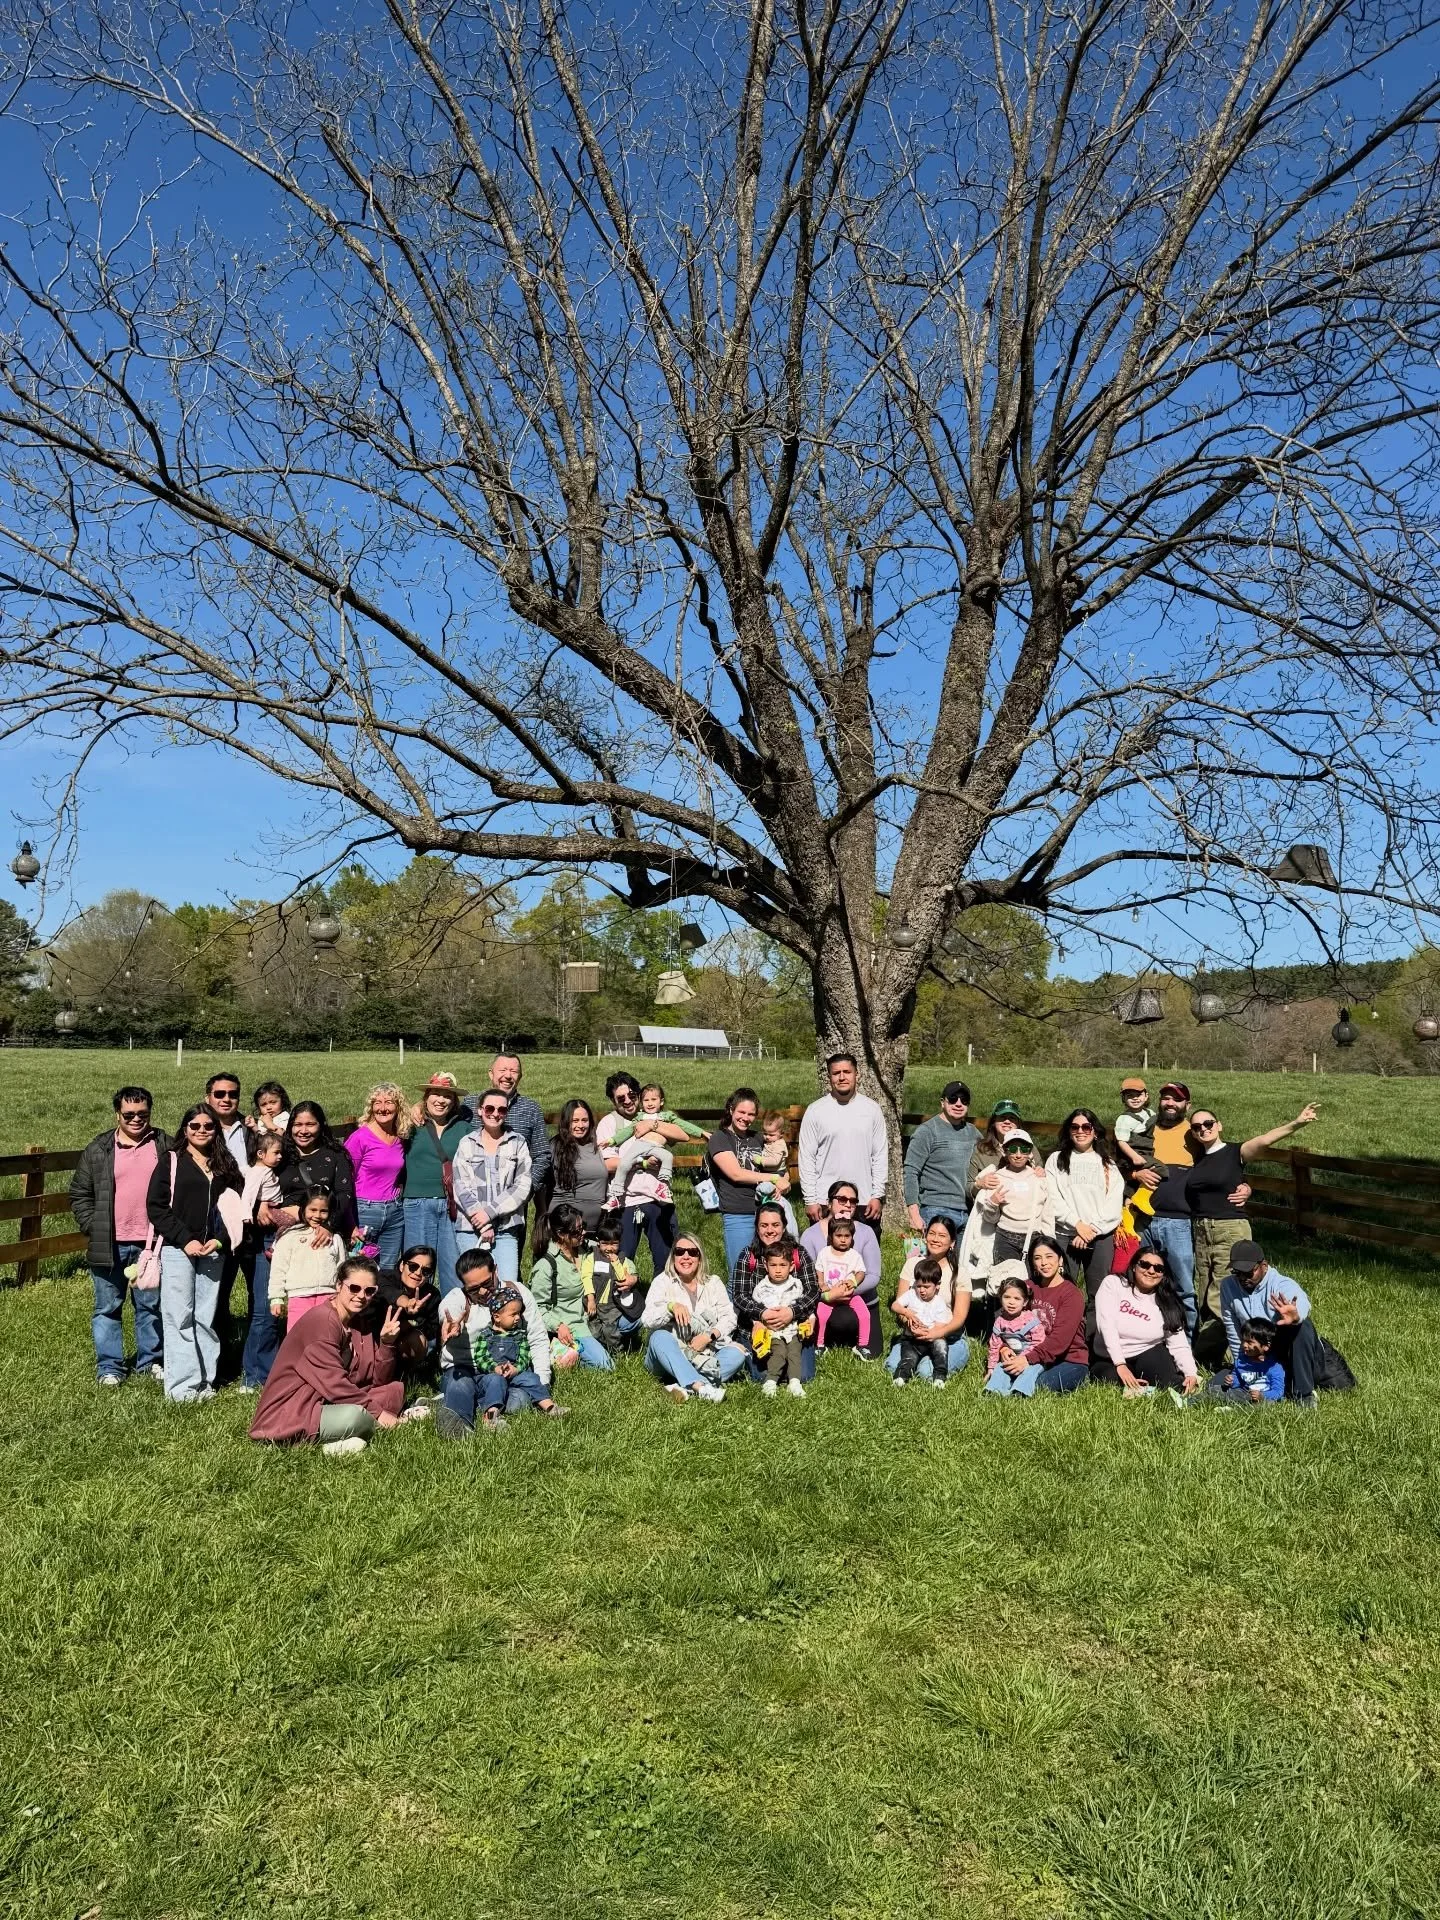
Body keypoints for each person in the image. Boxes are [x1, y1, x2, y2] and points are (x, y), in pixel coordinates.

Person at [248, 1256, 409, 1454]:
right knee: (357, 1416)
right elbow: (335, 1385)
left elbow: (377, 1380)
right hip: (295, 1409)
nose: (361, 1296)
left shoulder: (359, 1323)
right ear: (339, 1285)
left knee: (393, 1391)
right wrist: (380, 1414)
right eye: (354, 1288)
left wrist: (387, 1343)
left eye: (369, 1291)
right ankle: (325, 1446)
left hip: (326, 1400)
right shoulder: (322, 1321)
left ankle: (347, 1435)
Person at [70, 1086, 173, 1388]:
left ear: (150, 1113)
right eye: (129, 1114)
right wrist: (93, 1225)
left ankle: (150, 1362)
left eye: (142, 1113)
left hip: (151, 1244)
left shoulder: (164, 1144)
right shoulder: (99, 1148)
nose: (136, 1119)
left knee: (149, 1305)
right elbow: (79, 1193)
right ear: (117, 1114)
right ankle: (110, 1367)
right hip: (109, 1242)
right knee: (107, 1307)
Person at [1185, 1103, 1317, 1328]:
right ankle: (1211, 1346)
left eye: (1208, 1123)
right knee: (1205, 1287)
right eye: (1197, 1127)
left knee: (1223, 1289)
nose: (1203, 1129)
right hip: (1201, 1230)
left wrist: (1297, 1123)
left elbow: (1265, 1140)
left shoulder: (1235, 1152)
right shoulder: (1196, 1159)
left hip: (1230, 1227)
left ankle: (1218, 1350)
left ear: (1219, 1126)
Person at [146, 1103, 243, 1403]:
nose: (201, 1131)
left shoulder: (225, 1166)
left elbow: (237, 1209)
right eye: (195, 1126)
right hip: (178, 1250)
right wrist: (185, 1239)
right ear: (185, 1129)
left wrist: (221, 1240)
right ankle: (182, 1388)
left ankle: (205, 1381)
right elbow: (156, 1207)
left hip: (213, 1251)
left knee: (205, 1316)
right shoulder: (171, 1161)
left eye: (208, 1126)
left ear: (216, 1129)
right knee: (179, 1316)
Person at [435, 1247, 556, 1435]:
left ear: (496, 1271)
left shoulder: (517, 1293)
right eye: (473, 1289)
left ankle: (456, 1402)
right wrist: (451, 1323)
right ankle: (459, 1428)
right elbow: (448, 1309)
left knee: (519, 1401)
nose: (483, 1292)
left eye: (486, 1283)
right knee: (461, 1385)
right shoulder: (459, 1298)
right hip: (465, 1369)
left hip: (507, 1374)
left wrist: (543, 1382)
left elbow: (537, 1338)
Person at [1219, 1240, 1334, 1407]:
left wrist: (1295, 1316)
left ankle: (1304, 1394)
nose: (1242, 1278)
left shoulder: (1280, 1283)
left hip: (1285, 1350)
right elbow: (1233, 1329)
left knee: (1302, 1327)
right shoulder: (1228, 1286)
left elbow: (1300, 1300)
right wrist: (1242, 1366)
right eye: (1238, 1273)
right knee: (1218, 1383)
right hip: (1257, 1352)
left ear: (1264, 1265)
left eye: (1248, 1273)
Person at [641, 1235, 748, 1403]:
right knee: (658, 1337)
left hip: (703, 1353)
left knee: (738, 1353)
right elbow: (647, 1320)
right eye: (680, 1252)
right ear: (673, 1257)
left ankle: (683, 1387)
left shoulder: (713, 1283)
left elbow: (729, 1317)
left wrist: (708, 1336)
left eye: (692, 1252)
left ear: (699, 1258)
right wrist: (670, 1307)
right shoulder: (662, 1281)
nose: (686, 1257)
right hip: (668, 1356)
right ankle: (700, 1386)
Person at [462, 1054, 551, 1251]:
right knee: (471, 1265)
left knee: (508, 1262)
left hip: (513, 1204)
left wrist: (526, 1190)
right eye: (502, 1070)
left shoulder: (530, 1108)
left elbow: (543, 1155)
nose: (508, 1076)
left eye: (513, 1071)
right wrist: (419, 1107)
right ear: (491, 1073)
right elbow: (442, 1120)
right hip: (474, 1204)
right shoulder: (469, 1104)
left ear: (520, 1077)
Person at [1131, 1083, 1201, 1329]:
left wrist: (1243, 1185)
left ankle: (1191, 1346)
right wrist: (1135, 1175)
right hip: (1141, 1220)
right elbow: (1118, 1163)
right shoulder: (1144, 1129)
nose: (1170, 1103)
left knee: (1184, 1287)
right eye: (1166, 1098)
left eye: (1177, 1100)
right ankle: (1145, 1338)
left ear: (1187, 1106)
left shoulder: (1195, 1134)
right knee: (1141, 1284)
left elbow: (1220, 1161)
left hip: (1178, 1223)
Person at [606, 1081, 693, 1272]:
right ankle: (623, 1299)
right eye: (621, 1098)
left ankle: (659, 1300)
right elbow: (607, 1163)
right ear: (613, 1100)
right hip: (626, 1200)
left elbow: (683, 1135)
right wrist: (642, 1163)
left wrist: (652, 1124)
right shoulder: (610, 1122)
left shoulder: (656, 1118)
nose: (628, 1101)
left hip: (657, 1199)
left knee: (665, 1261)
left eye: (632, 1096)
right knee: (623, 1259)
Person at [450, 1088, 532, 1285]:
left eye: (501, 1110)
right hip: (471, 1229)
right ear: (480, 1110)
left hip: (505, 1229)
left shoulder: (518, 1143)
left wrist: (490, 1212)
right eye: (490, 1108)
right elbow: (460, 1186)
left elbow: (522, 1185)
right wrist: (483, 1221)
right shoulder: (467, 1143)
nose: (495, 1114)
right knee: (474, 1287)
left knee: (507, 1285)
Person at [729, 1203, 820, 1380]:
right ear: (757, 1228)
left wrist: (791, 1312)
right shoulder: (748, 1256)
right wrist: (763, 1314)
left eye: (775, 1225)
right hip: (759, 1328)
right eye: (764, 1225)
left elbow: (812, 1291)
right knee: (762, 1377)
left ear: (784, 1226)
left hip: (794, 1328)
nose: (770, 1230)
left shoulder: (798, 1254)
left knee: (804, 1376)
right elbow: (740, 1295)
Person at [1091, 1249, 1199, 1396]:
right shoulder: (1113, 1284)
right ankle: (1141, 1390)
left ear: (1163, 1274)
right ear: (1134, 1266)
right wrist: (1120, 1364)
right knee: (1110, 1384)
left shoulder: (1168, 1302)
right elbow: (1106, 1326)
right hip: (1110, 1358)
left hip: (1147, 1352)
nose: (1151, 1271)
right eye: (1145, 1265)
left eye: (1158, 1268)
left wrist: (1190, 1373)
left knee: (1173, 1386)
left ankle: (1150, 1390)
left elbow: (1178, 1344)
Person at [707, 1087, 789, 1273]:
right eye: (741, 1112)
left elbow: (780, 1166)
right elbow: (736, 1173)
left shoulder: (759, 1138)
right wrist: (774, 1178)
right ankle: (733, 1303)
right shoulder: (720, 1138)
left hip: (767, 1213)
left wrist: (783, 1181)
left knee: (771, 1272)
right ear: (731, 1110)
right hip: (738, 1214)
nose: (746, 1118)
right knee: (741, 1272)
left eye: (751, 1114)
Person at [798, 1053, 887, 1223]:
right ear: (829, 1077)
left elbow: (880, 1155)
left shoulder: (872, 1110)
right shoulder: (815, 1111)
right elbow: (807, 1158)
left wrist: (877, 1195)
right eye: (836, 1073)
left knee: (864, 1250)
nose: (842, 1077)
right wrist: (810, 1199)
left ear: (857, 1074)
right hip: (826, 1201)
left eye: (847, 1072)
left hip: (864, 1201)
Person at [1044, 1109, 1125, 1292]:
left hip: (1100, 1236)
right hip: (1064, 1235)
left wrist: (1091, 1230)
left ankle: (1093, 1322)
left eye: (1086, 1127)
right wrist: (1077, 1224)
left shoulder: (1108, 1165)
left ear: (1095, 1132)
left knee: (1099, 1293)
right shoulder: (1056, 1160)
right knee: (1061, 1291)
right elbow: (1052, 1197)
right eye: (1075, 1127)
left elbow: (1113, 1205)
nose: (1080, 1131)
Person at [401, 1072, 472, 1280]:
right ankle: (417, 1311)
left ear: (454, 1101)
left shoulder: (464, 1128)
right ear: (426, 1097)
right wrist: (415, 1107)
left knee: (453, 1268)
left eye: (447, 1095)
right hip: (417, 1203)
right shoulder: (411, 1125)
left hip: (452, 1204)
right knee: (418, 1269)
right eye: (435, 1094)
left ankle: (453, 1311)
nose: (441, 1100)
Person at [529, 1202, 616, 1370]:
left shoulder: (586, 1249)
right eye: (577, 1231)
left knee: (633, 1321)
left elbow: (611, 1250)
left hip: (595, 1315)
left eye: (583, 1226)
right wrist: (558, 1326)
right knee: (606, 1366)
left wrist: (632, 1277)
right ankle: (561, 1356)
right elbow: (537, 1308)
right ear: (561, 1234)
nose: (583, 1232)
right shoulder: (546, 1266)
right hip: (571, 1325)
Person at [798, 1181, 882, 1353]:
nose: (848, 1204)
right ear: (829, 1203)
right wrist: (827, 1294)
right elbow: (805, 1275)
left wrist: (845, 1290)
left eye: (853, 1201)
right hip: (823, 1298)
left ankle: (856, 1341)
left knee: (874, 1351)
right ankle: (826, 1340)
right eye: (842, 1199)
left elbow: (873, 1274)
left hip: (861, 1298)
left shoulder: (866, 1232)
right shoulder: (810, 1235)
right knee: (840, 1320)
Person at [886, 1214, 971, 1382]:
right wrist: (911, 1324)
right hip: (913, 1334)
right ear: (925, 1236)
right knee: (892, 1366)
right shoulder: (912, 1265)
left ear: (952, 1242)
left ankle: (957, 1352)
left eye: (942, 1235)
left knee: (926, 1373)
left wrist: (937, 1332)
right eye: (932, 1233)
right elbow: (901, 1306)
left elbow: (960, 1317)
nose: (935, 1239)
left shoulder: (959, 1273)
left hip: (947, 1336)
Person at [238, 1129, 287, 1390]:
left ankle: (263, 1371)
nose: (280, 1157)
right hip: (264, 1232)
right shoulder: (260, 1172)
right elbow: (248, 1195)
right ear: (260, 1154)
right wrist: (248, 1214)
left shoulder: (264, 1170)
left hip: (271, 1224)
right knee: (263, 1308)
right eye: (276, 1153)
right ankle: (256, 1374)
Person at [345, 1083, 411, 1269]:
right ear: (371, 1107)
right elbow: (345, 1179)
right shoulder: (360, 1138)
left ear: (398, 1107)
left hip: (395, 1212)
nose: (383, 1108)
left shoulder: (400, 1137)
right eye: (377, 1103)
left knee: (388, 1269)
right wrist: (349, 1222)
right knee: (360, 1267)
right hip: (364, 1211)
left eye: (389, 1102)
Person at [903, 1081, 980, 1231]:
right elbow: (911, 1171)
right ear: (942, 1103)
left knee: (962, 1256)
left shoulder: (974, 1133)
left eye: (964, 1100)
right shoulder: (927, 1131)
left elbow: (992, 1158)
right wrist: (913, 1213)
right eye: (953, 1099)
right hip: (935, 1210)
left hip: (969, 1213)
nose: (958, 1104)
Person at [276, 1101, 358, 1239]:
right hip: (280, 1233)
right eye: (298, 1125)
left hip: (321, 1233)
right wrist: (263, 1208)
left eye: (310, 1124)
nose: (303, 1131)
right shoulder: (278, 1153)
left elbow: (344, 1194)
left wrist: (329, 1225)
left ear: (321, 1126)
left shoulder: (335, 1155)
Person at [268, 1187, 347, 1329]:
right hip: (299, 1297)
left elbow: (343, 1269)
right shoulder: (290, 1236)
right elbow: (278, 1268)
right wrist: (276, 1297)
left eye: (323, 1211)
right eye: (313, 1210)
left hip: (329, 1297)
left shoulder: (335, 1238)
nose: (317, 1215)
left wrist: (342, 1295)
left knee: (326, 1337)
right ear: (303, 1209)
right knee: (298, 1337)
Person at [1020, 1236, 1089, 1394]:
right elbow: (1008, 1318)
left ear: (1061, 1260)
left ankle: (1077, 1380)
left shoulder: (1071, 1294)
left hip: (1069, 1360)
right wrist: (1005, 1349)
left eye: (1049, 1256)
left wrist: (1026, 1360)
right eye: (1038, 1258)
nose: (1044, 1262)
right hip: (1032, 1353)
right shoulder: (1028, 1287)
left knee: (1035, 1386)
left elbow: (1059, 1341)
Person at [975, 1129, 1050, 1266]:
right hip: (1006, 1238)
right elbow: (989, 1219)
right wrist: (992, 1203)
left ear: (1030, 1153)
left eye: (1024, 1150)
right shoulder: (997, 1178)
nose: (1018, 1155)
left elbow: (1047, 1214)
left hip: (1034, 1237)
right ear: (1004, 1152)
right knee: (1007, 1282)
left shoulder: (1039, 1178)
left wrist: (1050, 1242)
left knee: (1033, 1284)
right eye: (1013, 1149)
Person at [584, 1217, 646, 1357]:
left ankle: (617, 1353)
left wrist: (616, 1263)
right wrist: (591, 1298)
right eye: (605, 1243)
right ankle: (603, 1348)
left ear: (620, 1243)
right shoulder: (591, 1258)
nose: (609, 1248)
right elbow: (586, 1278)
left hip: (612, 1306)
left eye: (614, 1244)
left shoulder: (623, 1260)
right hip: (593, 1302)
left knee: (610, 1331)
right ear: (598, 1242)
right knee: (594, 1331)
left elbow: (622, 1279)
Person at [753, 1245, 809, 1398]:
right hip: (773, 1332)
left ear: (791, 1266)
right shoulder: (761, 1288)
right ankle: (770, 1382)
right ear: (766, 1265)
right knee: (779, 1353)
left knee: (794, 1354)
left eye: (783, 1265)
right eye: (773, 1265)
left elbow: (803, 1306)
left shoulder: (796, 1285)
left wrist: (809, 1320)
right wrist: (758, 1325)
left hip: (792, 1330)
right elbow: (756, 1311)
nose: (778, 1270)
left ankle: (795, 1383)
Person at [813, 1215, 871, 1354]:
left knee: (865, 1314)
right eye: (839, 1235)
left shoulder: (854, 1255)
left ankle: (862, 1345)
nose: (843, 1239)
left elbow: (861, 1272)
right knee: (821, 1314)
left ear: (852, 1237)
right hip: (830, 1293)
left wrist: (853, 1282)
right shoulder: (825, 1253)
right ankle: (820, 1344)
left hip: (848, 1294)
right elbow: (819, 1268)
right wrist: (821, 1283)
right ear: (831, 1236)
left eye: (847, 1236)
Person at [890, 1258, 953, 1387]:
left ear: (937, 1285)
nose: (922, 1290)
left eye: (926, 1287)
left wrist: (926, 1334)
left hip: (931, 1338)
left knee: (941, 1348)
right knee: (908, 1359)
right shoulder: (911, 1294)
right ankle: (900, 1378)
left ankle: (940, 1377)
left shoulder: (939, 1302)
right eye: (918, 1286)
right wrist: (907, 1313)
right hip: (912, 1338)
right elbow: (894, 1306)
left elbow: (939, 1327)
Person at [547, 1098, 609, 1230]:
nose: (580, 1125)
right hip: (565, 1228)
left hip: (596, 1228)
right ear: (566, 1122)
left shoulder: (597, 1144)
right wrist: (542, 1214)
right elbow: (542, 1185)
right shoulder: (555, 1146)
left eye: (584, 1120)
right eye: (574, 1121)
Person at [984, 1275, 1047, 1397]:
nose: (1011, 1302)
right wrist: (991, 1368)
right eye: (1007, 1297)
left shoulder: (1030, 1320)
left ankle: (1020, 1391)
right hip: (1011, 1357)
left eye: (1017, 1298)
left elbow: (1039, 1343)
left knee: (1031, 1371)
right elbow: (994, 1345)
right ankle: (994, 1390)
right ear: (1000, 1298)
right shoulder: (1000, 1321)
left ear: (1025, 1302)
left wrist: (1022, 1359)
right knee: (1000, 1368)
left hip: (1031, 1359)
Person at [1206, 1318, 1286, 1404]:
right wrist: (1231, 1381)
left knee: (1269, 1403)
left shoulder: (1274, 1368)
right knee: (1216, 1390)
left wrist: (1262, 1396)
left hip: (1265, 1399)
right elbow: (1237, 1383)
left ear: (1266, 1346)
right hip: (1244, 1394)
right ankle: (1192, 1401)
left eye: (1249, 1342)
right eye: (1243, 1340)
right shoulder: (1241, 1362)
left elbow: (1278, 1392)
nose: (1244, 1345)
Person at [966, 1099, 1029, 1202]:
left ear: (1018, 1123)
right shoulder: (981, 1150)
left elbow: (1040, 1177)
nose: (1007, 1121)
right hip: (988, 1208)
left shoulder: (1028, 1147)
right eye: (1002, 1117)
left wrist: (1040, 1172)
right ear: (994, 1121)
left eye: (1012, 1118)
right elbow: (968, 1188)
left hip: (1021, 1206)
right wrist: (979, 1184)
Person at [753, 1110, 798, 1233]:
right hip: (771, 1174)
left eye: (771, 1135)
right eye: (765, 1134)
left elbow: (774, 1161)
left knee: (773, 1194)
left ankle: (785, 1227)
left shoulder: (779, 1145)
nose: (767, 1137)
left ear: (781, 1134)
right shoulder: (770, 1141)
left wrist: (760, 1160)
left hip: (778, 1174)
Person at [1112, 1078, 1153, 1174]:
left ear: (1146, 1096)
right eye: (1130, 1096)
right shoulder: (1124, 1120)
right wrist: (1135, 1157)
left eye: (1139, 1095)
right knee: (1160, 1169)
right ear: (1124, 1098)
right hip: (1136, 1154)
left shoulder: (1150, 1113)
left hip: (1150, 1149)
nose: (1135, 1098)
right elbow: (1122, 1142)